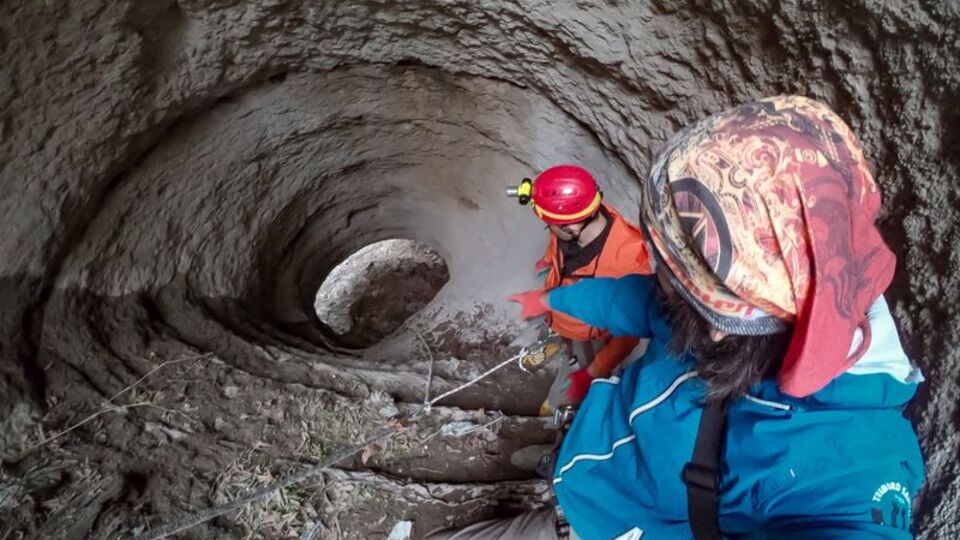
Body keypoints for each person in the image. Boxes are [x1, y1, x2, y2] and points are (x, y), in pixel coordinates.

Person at [429, 96, 925, 539]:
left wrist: (594, 371)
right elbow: (635, 300)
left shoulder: (849, 466)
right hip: (595, 473)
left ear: (718, 318)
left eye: (669, 271)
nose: (657, 278)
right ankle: (556, 461)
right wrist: (553, 303)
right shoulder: (718, 306)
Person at [508, 165, 651, 411]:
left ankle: (559, 408)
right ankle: (558, 342)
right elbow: (558, 245)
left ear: (569, 226)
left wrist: (593, 372)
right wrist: (547, 261)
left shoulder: (628, 262)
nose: (548, 227)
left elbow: (627, 336)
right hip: (563, 315)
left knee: (567, 398)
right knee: (559, 332)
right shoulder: (578, 222)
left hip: (593, 338)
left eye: (548, 223)